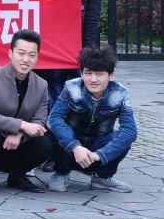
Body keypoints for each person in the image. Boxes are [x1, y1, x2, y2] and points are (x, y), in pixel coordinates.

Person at [47, 46, 137, 193]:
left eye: (99, 74)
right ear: (82, 73)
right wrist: (75, 146)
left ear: (111, 76)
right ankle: (61, 173)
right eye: (88, 73)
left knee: (124, 139)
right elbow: (55, 118)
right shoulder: (71, 88)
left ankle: (102, 177)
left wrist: (101, 154)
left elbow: (130, 131)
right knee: (54, 130)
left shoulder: (120, 93)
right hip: (70, 146)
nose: (93, 79)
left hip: (98, 145)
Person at [0, 29, 52, 194]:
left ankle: (17, 176)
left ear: (37, 57)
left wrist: (20, 134)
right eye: (21, 53)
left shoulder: (42, 84)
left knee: (45, 143)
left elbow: (40, 121)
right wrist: (20, 125)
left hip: (20, 147)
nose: (26, 59)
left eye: (32, 55)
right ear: (10, 53)